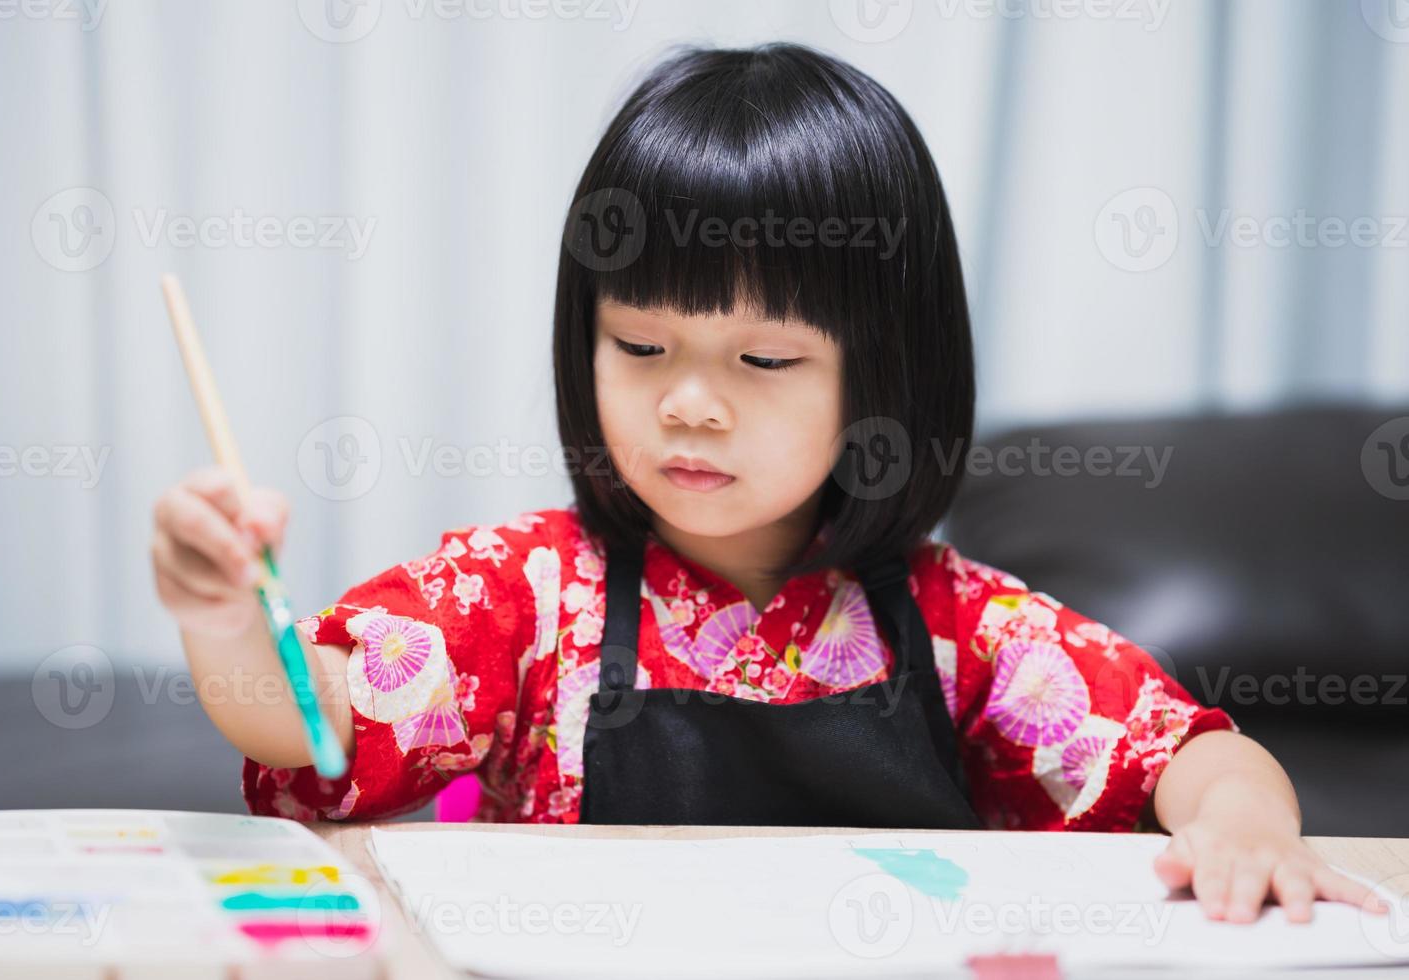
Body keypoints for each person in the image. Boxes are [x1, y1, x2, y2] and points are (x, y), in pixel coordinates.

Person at [150, 42, 1386, 925]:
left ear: (883, 376)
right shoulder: (530, 591)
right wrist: (223, 614)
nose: (688, 399)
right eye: (640, 346)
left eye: (765, 358)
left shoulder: (966, 630)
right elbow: (314, 722)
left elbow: (1190, 753)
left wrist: (1244, 825)